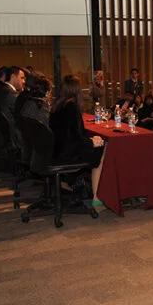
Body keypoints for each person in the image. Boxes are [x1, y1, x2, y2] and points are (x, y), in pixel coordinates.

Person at [50, 75, 106, 209]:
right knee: (102, 148)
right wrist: (92, 142)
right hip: (67, 154)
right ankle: (97, 198)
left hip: (55, 151)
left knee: (96, 143)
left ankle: (66, 183)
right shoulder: (72, 108)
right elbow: (76, 139)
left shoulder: (57, 106)